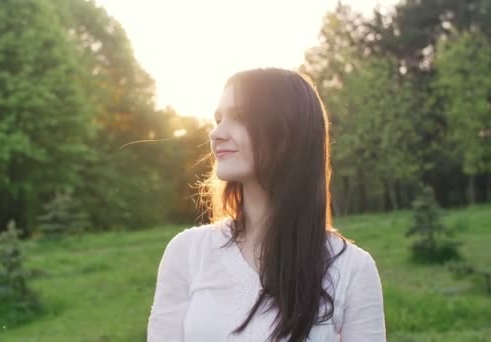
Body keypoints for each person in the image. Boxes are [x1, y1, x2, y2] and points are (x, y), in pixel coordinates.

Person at [147, 68, 386, 342]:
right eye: (218, 119)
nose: (215, 133)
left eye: (238, 118)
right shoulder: (187, 252)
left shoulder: (352, 269)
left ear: (287, 133)